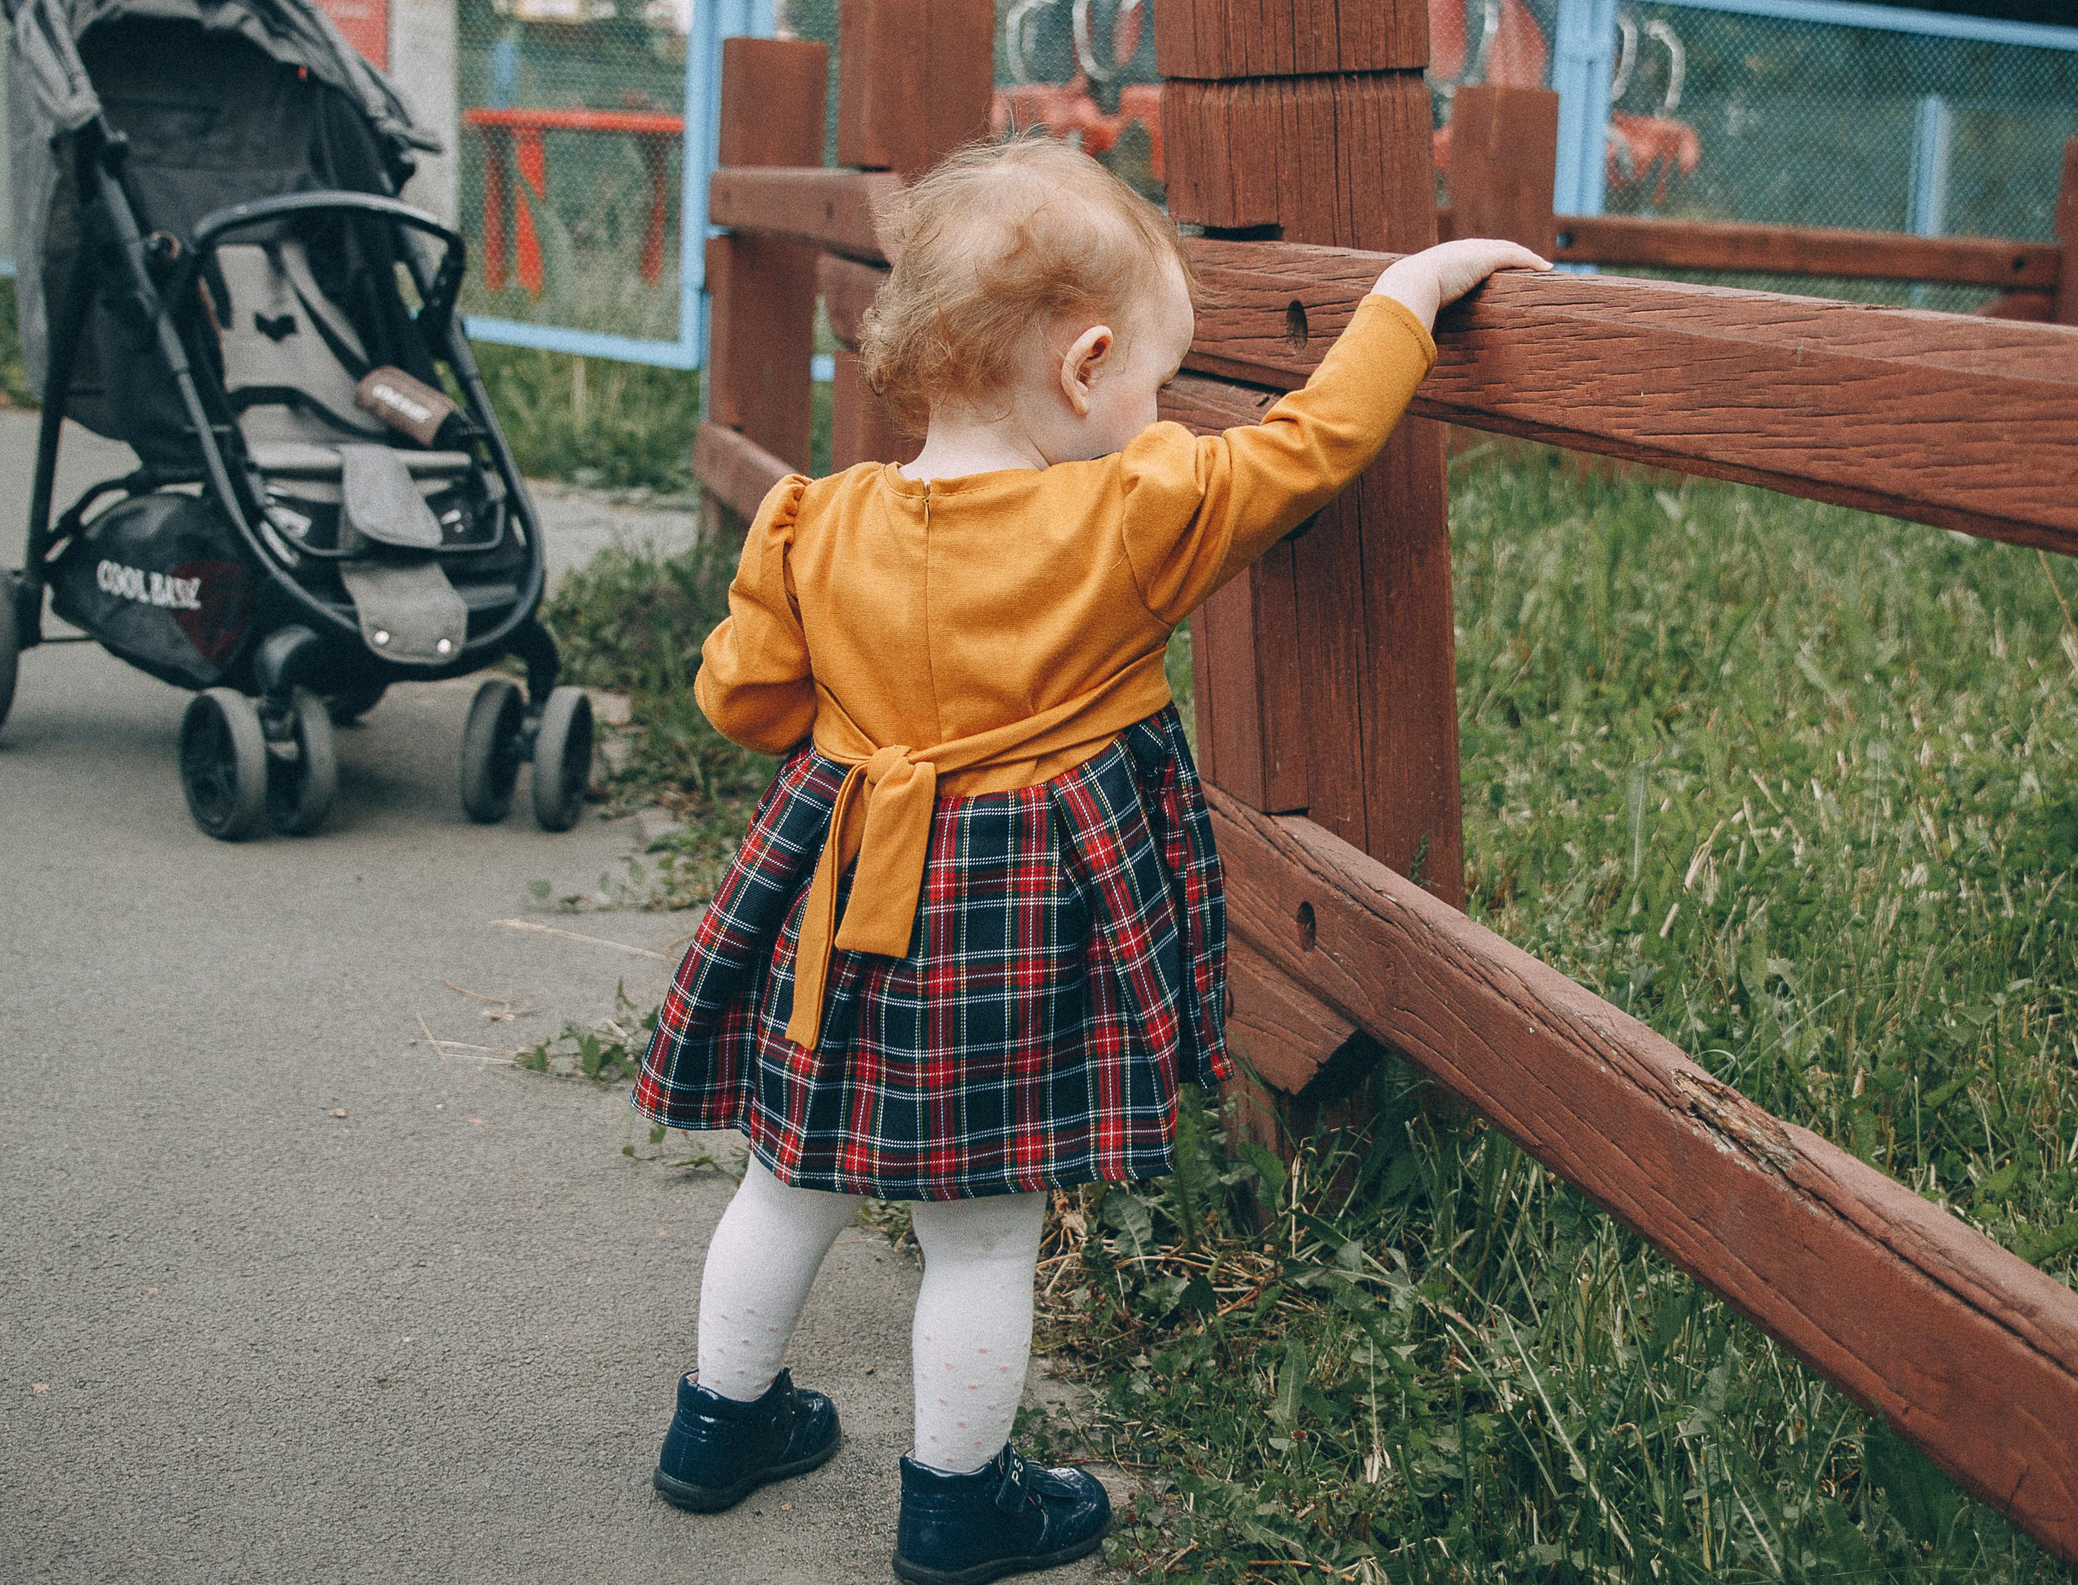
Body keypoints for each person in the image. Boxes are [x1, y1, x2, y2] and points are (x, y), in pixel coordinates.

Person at [633, 132, 1544, 1585]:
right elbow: (1315, 444)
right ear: (1087, 364)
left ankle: (717, 1429)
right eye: (1156, 381)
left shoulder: (816, 521)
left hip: (842, 903)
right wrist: (1410, 294)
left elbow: (739, 702)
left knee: (787, 1177)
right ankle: (957, 1507)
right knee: (982, 1237)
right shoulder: (1130, 514)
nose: (1156, 411)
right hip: (1011, 932)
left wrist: (872, 701)